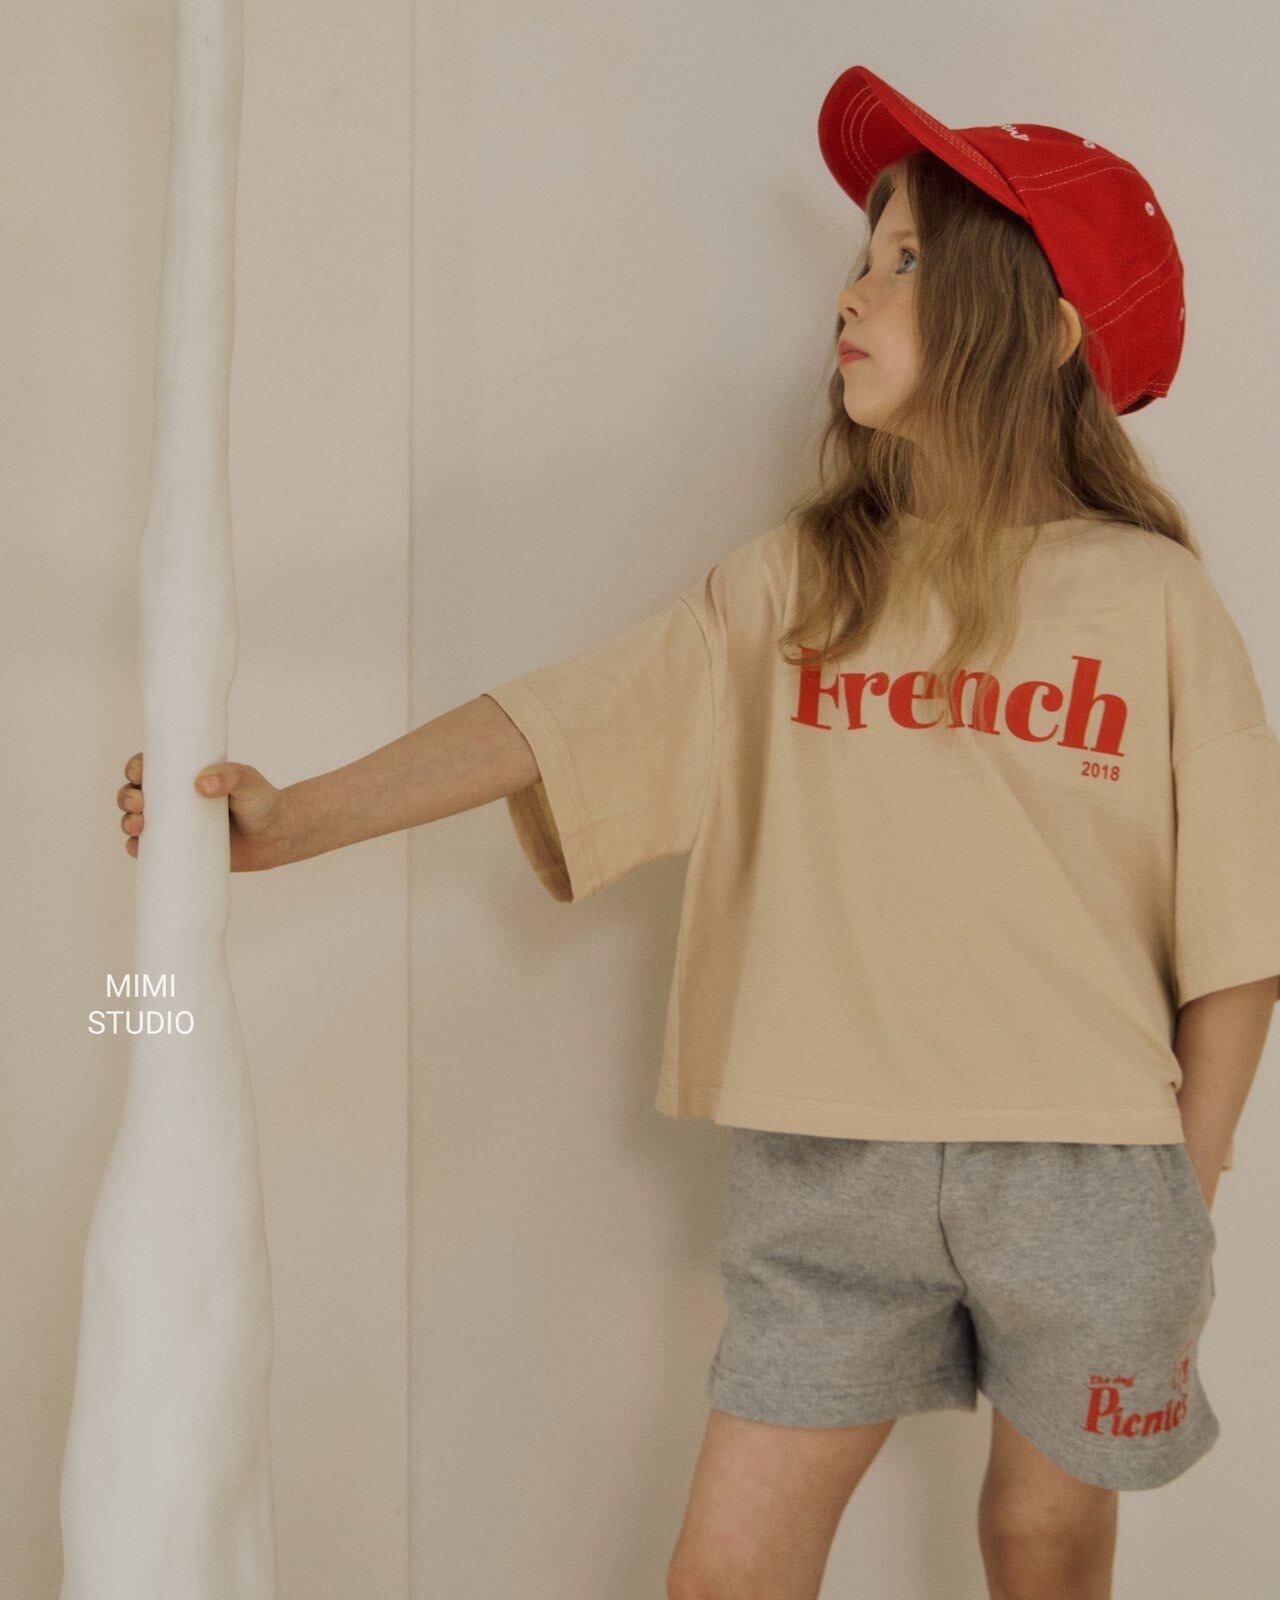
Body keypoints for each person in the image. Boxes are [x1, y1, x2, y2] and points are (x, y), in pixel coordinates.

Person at [115, 65, 1280, 1600]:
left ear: (1048, 331)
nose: (852, 293)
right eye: (863, 256)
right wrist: (295, 822)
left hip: (1091, 1177)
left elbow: (1240, 934)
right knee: (726, 1570)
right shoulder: (802, 579)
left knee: (1040, 1542)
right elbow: (566, 717)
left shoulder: (1155, 601)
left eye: (908, 260)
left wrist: (1185, 1196)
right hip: (827, 1164)